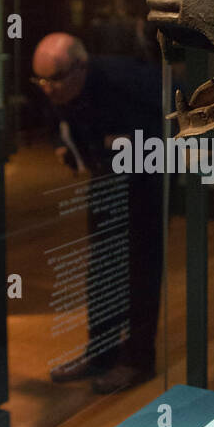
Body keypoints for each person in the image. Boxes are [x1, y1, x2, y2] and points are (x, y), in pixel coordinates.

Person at [31, 33, 164, 393]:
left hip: (144, 177)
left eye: (55, 80)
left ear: (81, 68)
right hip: (106, 178)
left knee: (140, 269)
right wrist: (66, 148)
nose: (48, 89)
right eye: (40, 80)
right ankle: (101, 353)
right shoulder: (57, 87)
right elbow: (57, 122)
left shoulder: (127, 80)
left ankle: (138, 360)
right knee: (103, 268)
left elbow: (173, 107)